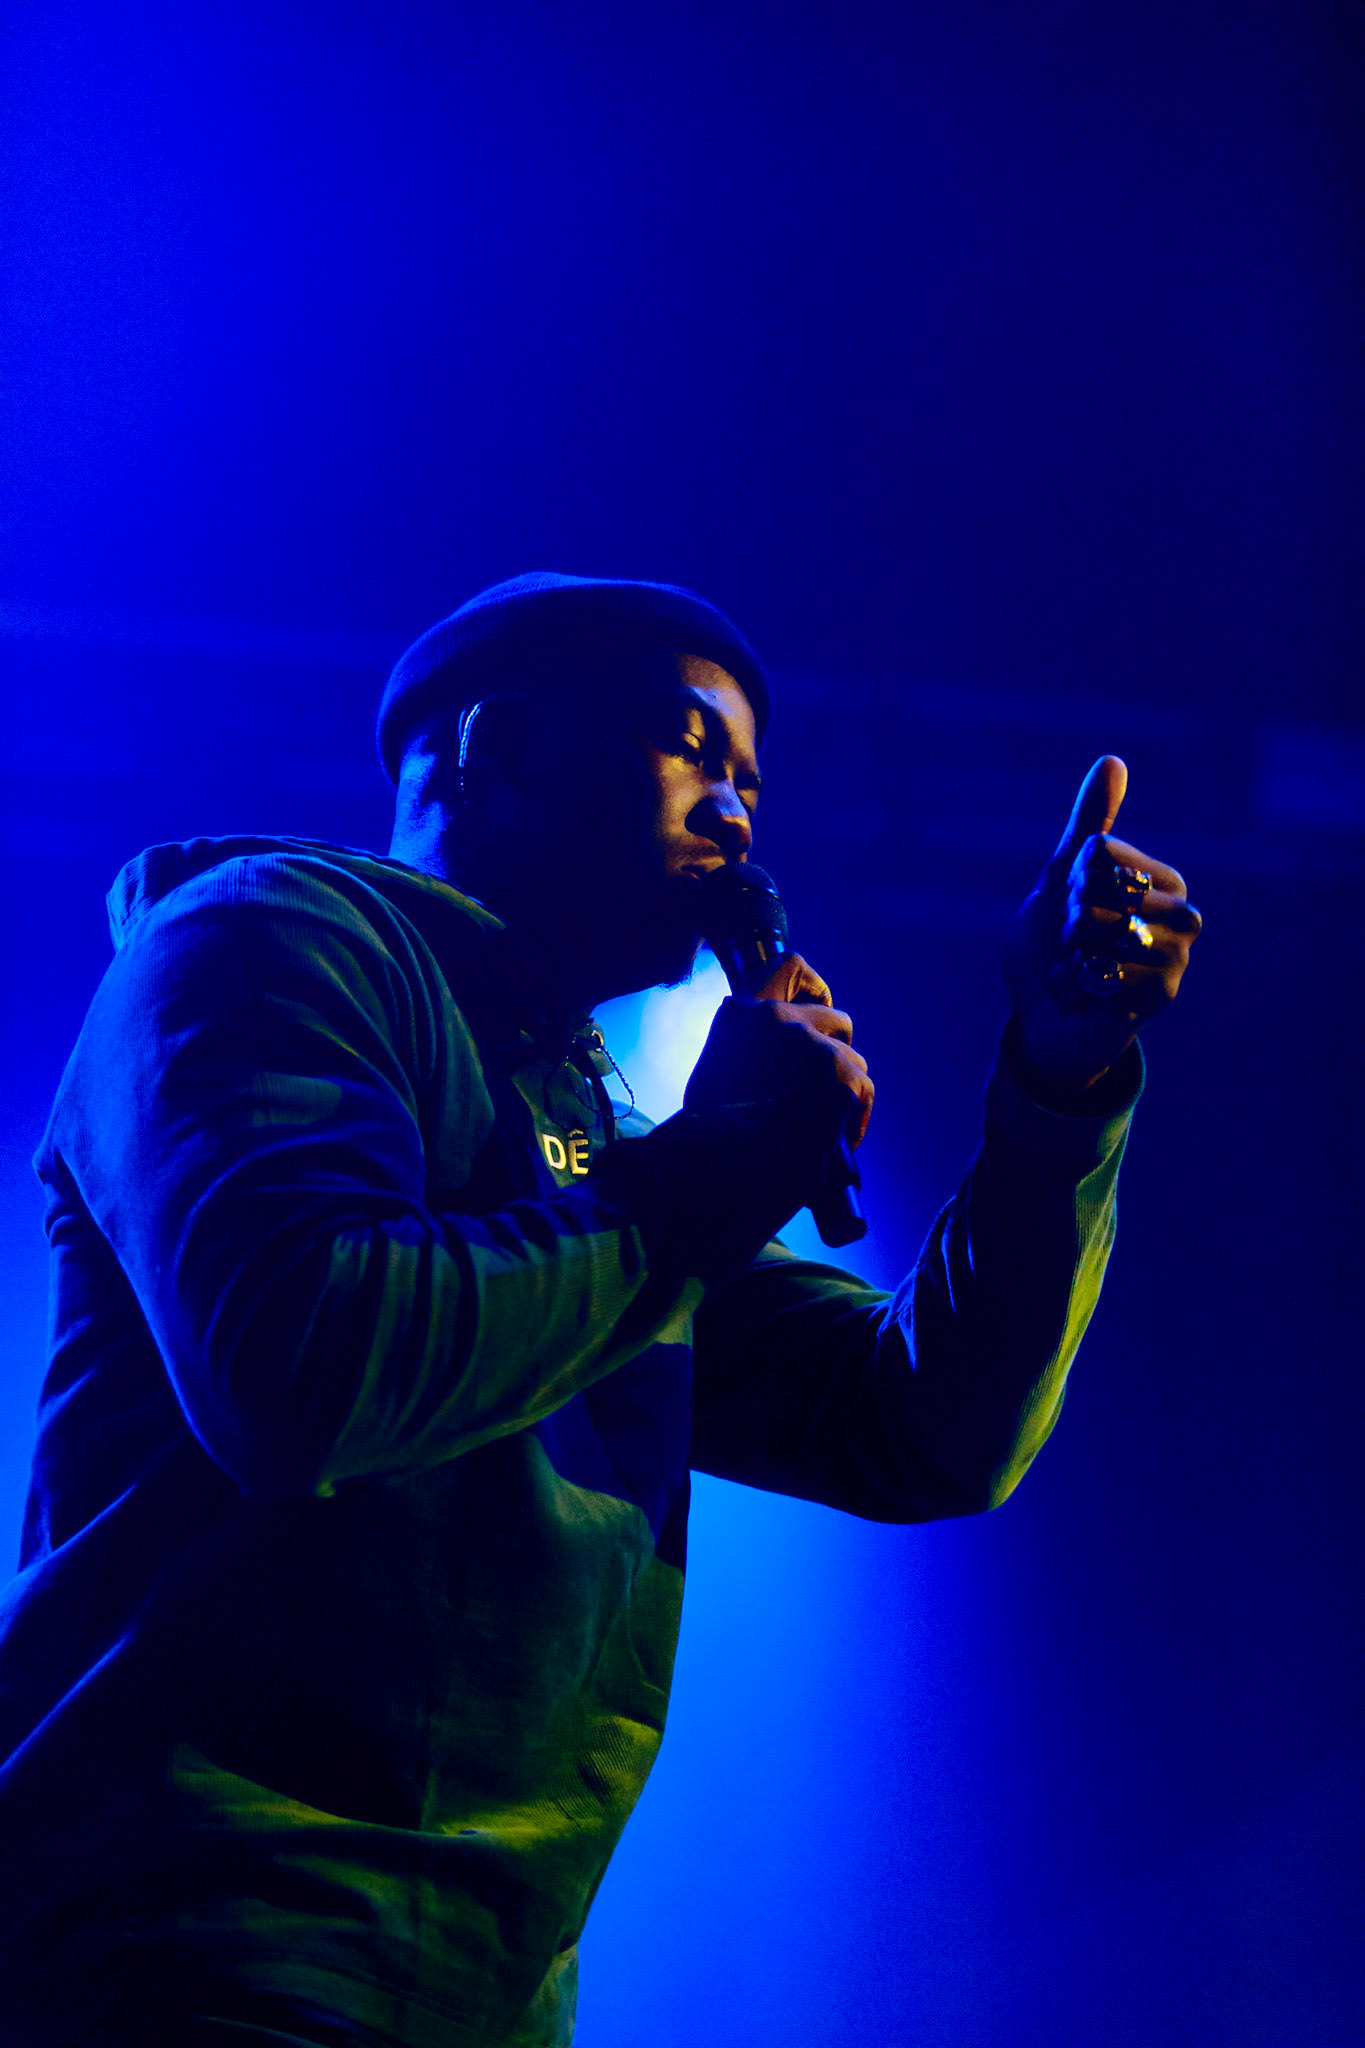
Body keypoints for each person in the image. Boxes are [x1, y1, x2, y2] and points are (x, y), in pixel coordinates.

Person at [0, 572, 1200, 2046]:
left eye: (753, 779)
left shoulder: (589, 1127)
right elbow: (298, 1366)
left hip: (477, 1999)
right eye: (692, 746)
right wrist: (716, 1169)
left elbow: (922, 1431)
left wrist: (1056, 1082)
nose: (740, 809)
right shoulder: (260, 950)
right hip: (195, 1949)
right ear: (495, 745)